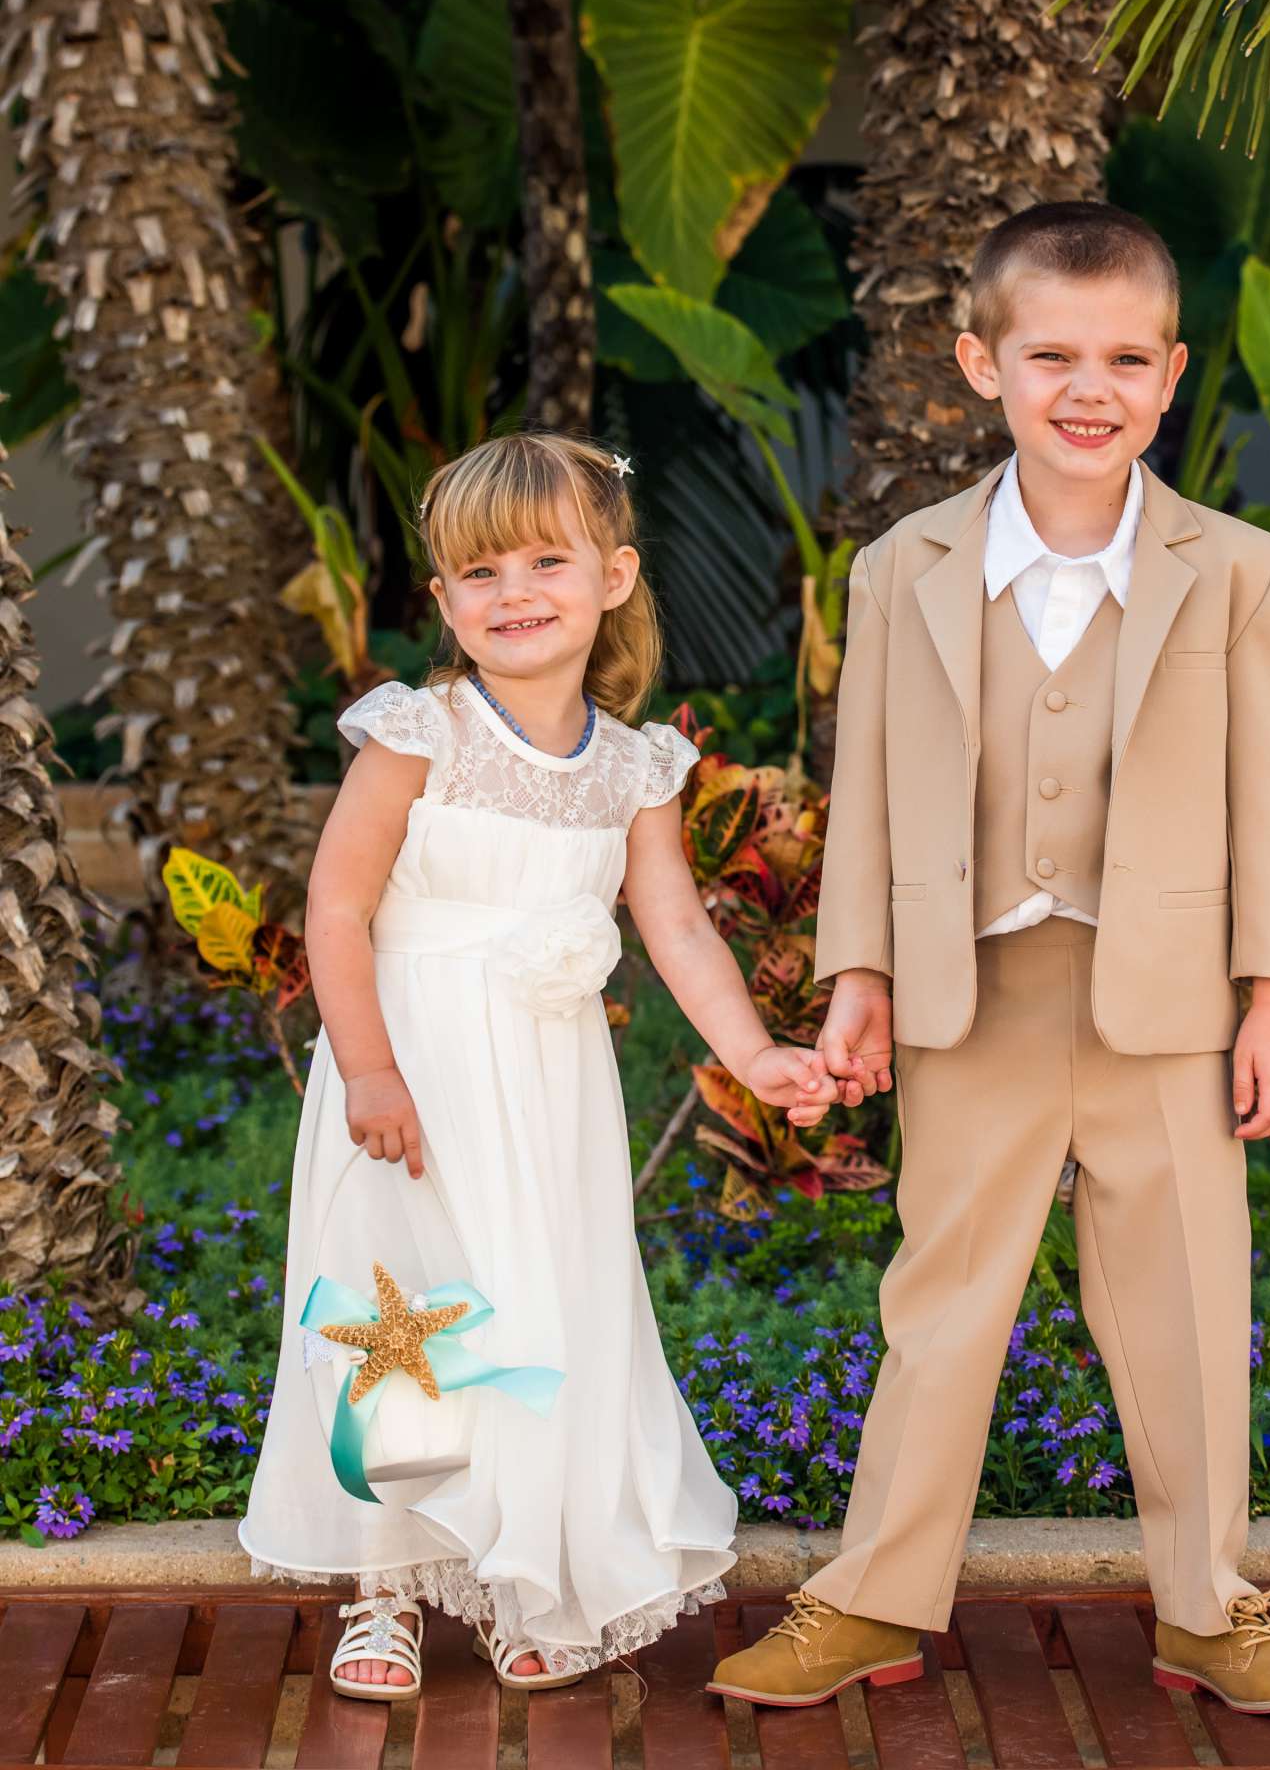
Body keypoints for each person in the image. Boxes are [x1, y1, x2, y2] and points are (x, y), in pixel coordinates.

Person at [709, 201, 1270, 1718]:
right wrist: (857, 975)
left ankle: (1210, 1605)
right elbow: (863, 783)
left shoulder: (1243, 569)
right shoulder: (901, 567)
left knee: (1190, 1304)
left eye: (1126, 357)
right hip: (970, 994)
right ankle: (873, 1595)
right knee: (944, 1297)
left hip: (1169, 1003)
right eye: (1051, 353)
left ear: (1175, 373)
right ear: (978, 362)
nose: (1089, 388)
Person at [241, 431, 840, 1699]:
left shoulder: (634, 766)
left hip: (549, 1094)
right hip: (410, 1079)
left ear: (614, 575)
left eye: (544, 561)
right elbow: (337, 909)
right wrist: (368, 1072)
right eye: (477, 572)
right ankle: (384, 1589)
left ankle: (528, 1576)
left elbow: (674, 924)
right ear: (445, 601)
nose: (512, 592)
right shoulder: (419, 734)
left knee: (537, 1313)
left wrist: (753, 1055)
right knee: (405, 1317)